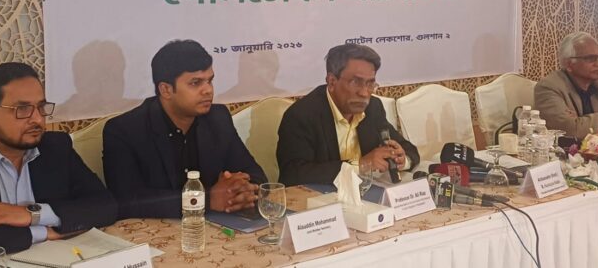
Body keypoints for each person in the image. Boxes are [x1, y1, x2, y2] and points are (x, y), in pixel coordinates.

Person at [0, 63, 116, 263]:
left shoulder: (56, 148)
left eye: (41, 107)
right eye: (22, 109)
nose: (38, 119)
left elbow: (105, 205)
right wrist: (40, 233)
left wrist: (32, 214)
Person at [103, 40, 266, 220]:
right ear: (166, 89)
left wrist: (239, 189)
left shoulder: (217, 118)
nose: (208, 90)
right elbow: (126, 201)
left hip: (217, 226)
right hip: (158, 232)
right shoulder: (125, 131)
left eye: (210, 81)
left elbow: (256, 175)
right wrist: (205, 200)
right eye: (195, 83)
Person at [276, 44, 419, 186]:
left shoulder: (373, 107)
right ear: (332, 81)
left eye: (370, 84)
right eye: (355, 82)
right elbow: (293, 174)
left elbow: (409, 150)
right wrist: (360, 165)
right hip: (323, 197)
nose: (364, 93)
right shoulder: (302, 115)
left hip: (368, 193)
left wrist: (401, 160)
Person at [534, 32, 598, 140]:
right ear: (569, 64)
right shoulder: (549, 87)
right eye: (591, 58)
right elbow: (571, 131)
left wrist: (585, 122)